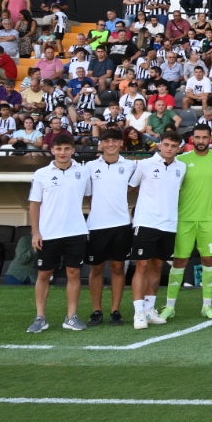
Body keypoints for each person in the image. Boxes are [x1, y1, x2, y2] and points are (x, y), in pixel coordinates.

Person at [26, 133, 92, 334]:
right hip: (48, 233)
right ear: (52, 150)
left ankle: (71, 317)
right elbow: (34, 205)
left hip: (76, 232)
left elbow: (89, 198)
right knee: (44, 274)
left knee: (74, 273)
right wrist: (35, 232)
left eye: (66, 149)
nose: (62, 153)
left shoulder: (83, 172)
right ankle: (40, 318)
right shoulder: (41, 174)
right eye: (58, 149)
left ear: (73, 150)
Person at [162, 126, 212, 321]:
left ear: (210, 138)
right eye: (198, 137)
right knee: (179, 261)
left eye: (205, 137)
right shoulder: (181, 160)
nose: (201, 140)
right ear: (192, 139)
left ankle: (207, 306)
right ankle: (169, 306)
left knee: (209, 260)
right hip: (184, 219)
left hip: (209, 218)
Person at [127, 130, 187, 330]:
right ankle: (138, 313)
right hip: (146, 222)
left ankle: (150, 309)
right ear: (160, 144)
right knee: (142, 266)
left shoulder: (182, 167)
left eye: (174, 146)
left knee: (157, 267)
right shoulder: (144, 165)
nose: (169, 149)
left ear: (179, 148)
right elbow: (131, 187)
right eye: (167, 144)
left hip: (169, 224)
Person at [84, 129, 137, 326]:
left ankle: (115, 310)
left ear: (121, 143)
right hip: (97, 225)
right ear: (102, 144)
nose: (111, 144)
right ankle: (96, 310)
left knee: (118, 267)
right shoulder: (90, 166)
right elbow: (89, 194)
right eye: (107, 141)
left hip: (122, 224)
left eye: (115, 140)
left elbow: (134, 187)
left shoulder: (130, 165)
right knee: (96, 268)